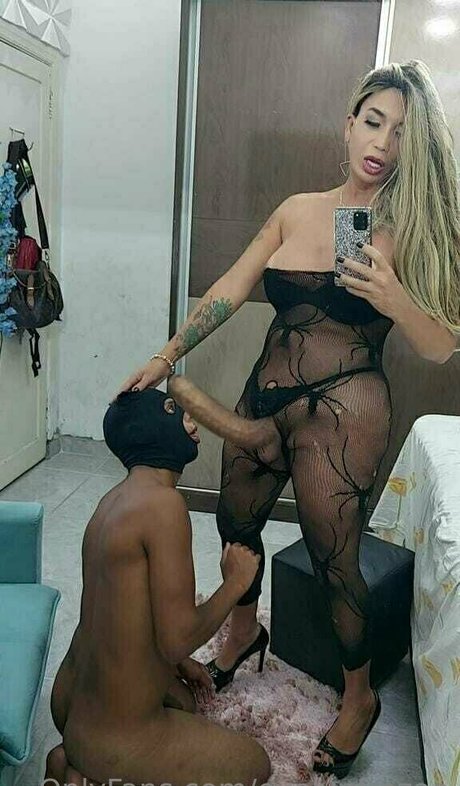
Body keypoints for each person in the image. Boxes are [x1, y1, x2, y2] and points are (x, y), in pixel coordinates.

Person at [119, 61, 460, 777]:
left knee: (335, 559)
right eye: (373, 122)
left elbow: (440, 345)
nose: (383, 143)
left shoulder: (408, 229)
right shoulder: (298, 209)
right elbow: (230, 287)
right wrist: (167, 354)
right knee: (235, 518)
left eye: (401, 132)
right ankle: (243, 630)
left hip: (345, 411)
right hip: (266, 395)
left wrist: (393, 297)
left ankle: (360, 697)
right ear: (349, 123)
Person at [44, 388, 273, 786]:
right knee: (257, 764)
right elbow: (177, 639)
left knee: (184, 702)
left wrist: (181, 667)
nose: (191, 421)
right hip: (112, 735)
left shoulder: (110, 502)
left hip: (71, 701)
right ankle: (93, 764)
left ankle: (73, 763)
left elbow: (122, 612)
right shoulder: (164, 505)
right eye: (173, 410)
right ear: (145, 430)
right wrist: (236, 583)